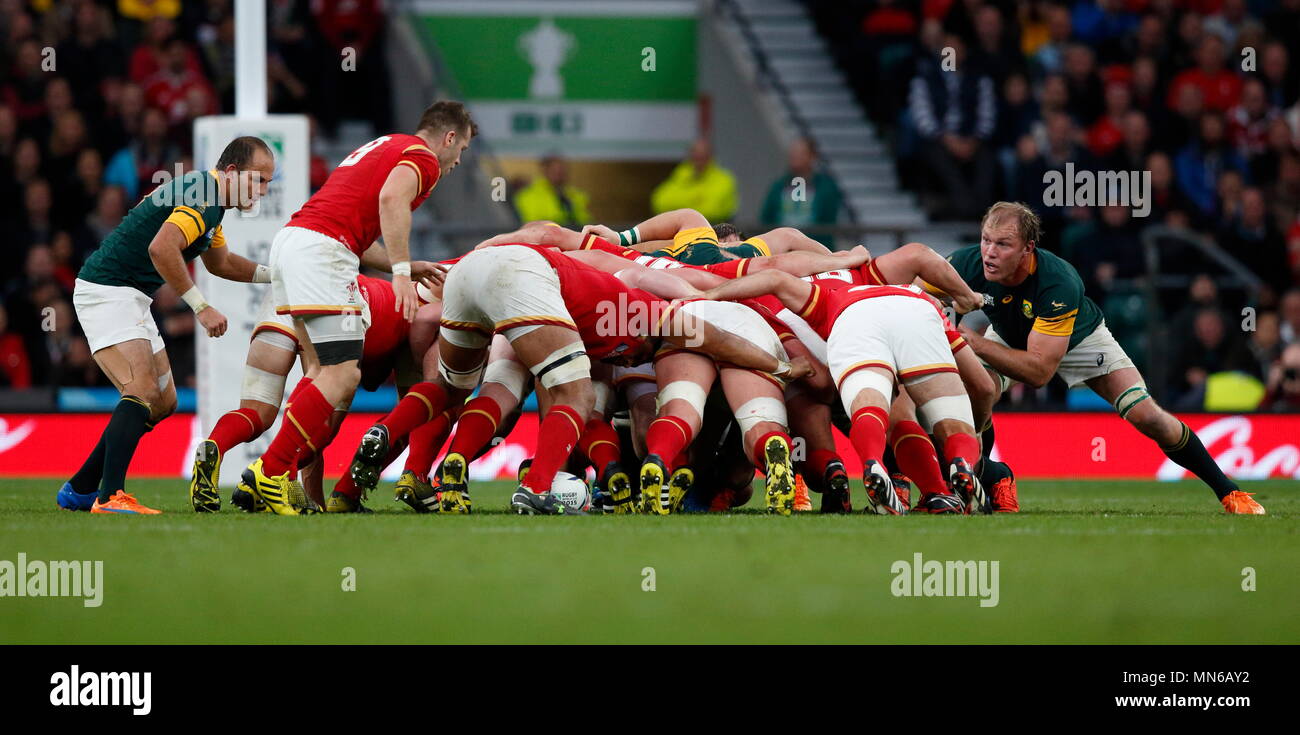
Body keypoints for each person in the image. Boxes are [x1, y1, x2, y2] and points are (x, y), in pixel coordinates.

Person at [949, 202, 1265, 515]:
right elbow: (920, 293)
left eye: (1003, 244)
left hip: (1081, 339)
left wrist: (975, 342)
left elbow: (1038, 372)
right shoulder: (967, 263)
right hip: (1008, 335)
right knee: (978, 389)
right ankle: (989, 484)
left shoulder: (1058, 281)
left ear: (1027, 248)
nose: (989, 251)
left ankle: (1229, 491)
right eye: (986, 239)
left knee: (1146, 415)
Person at [239, 101, 475, 515]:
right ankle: (271, 470)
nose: (459, 160)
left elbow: (361, 227)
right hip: (323, 254)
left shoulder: (384, 146)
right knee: (343, 374)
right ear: (449, 138)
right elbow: (390, 200)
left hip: (295, 243)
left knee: (321, 373)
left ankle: (273, 475)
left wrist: (408, 264)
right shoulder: (424, 157)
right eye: (464, 149)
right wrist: (401, 273)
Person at [56, 136, 277, 515]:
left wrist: (276, 276)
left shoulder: (209, 198)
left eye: (268, 183)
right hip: (108, 290)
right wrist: (201, 307)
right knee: (141, 389)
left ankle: (80, 489)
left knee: (162, 403)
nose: (263, 191)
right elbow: (162, 248)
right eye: (258, 180)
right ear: (230, 172)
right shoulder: (203, 194)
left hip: (131, 294)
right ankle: (110, 498)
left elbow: (220, 263)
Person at [759, 137, 841, 247]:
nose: (795, 157)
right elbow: (766, 218)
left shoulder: (826, 187)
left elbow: (828, 223)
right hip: (781, 250)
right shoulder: (778, 186)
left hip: (815, 251)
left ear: (812, 156)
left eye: (801, 153)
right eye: (793, 153)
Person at [650, 138, 738, 222]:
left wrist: (680, 205)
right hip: (682, 228)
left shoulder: (724, 179)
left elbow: (711, 209)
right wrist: (694, 201)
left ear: (710, 156)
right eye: (695, 156)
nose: (698, 160)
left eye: (702, 156)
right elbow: (659, 202)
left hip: (714, 230)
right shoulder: (681, 174)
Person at [513, 153, 590, 227]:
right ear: (544, 170)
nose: (559, 174)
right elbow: (531, 224)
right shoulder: (527, 196)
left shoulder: (576, 195)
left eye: (562, 170)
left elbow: (585, 221)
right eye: (554, 170)